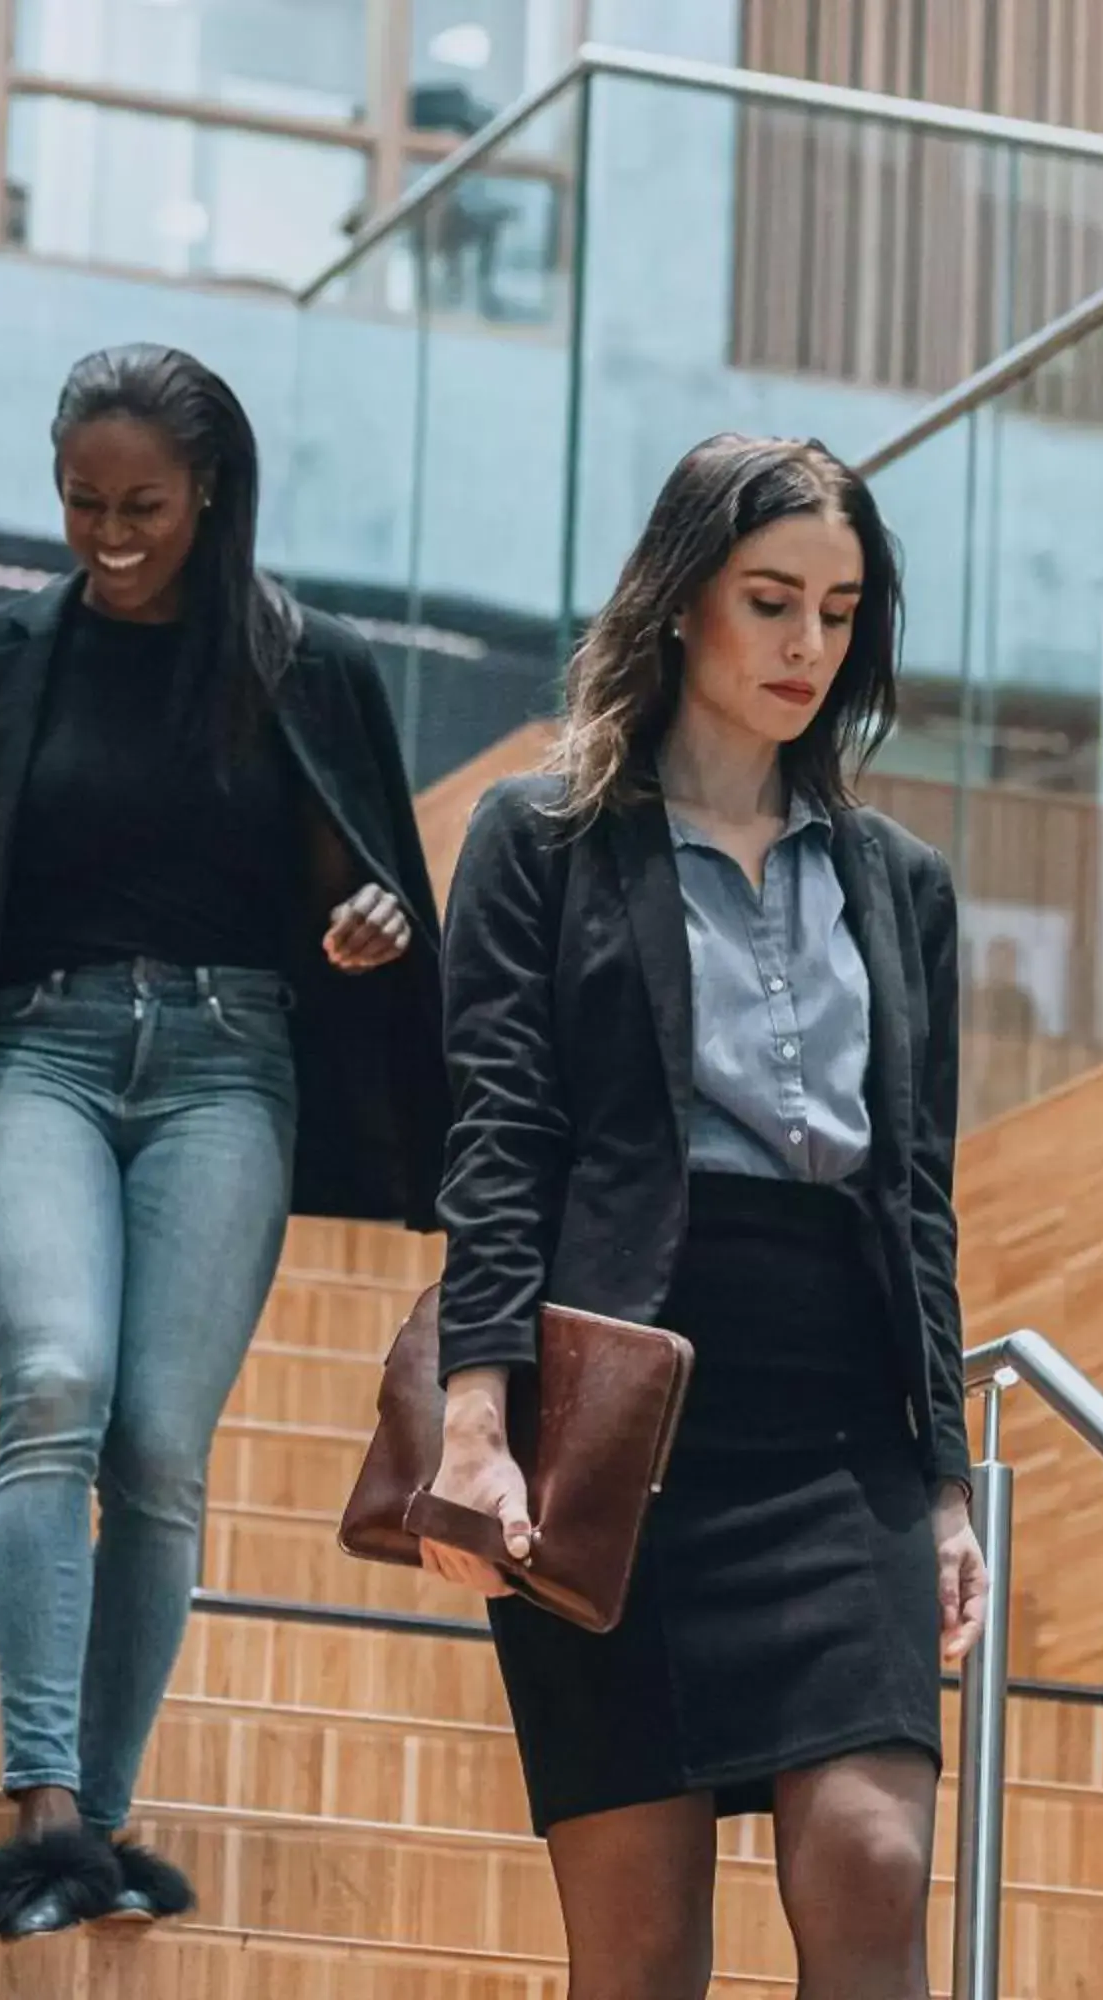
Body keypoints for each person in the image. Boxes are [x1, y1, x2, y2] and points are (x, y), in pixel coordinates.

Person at [0, 343, 449, 1941]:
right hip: (33, 1056)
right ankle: (41, 1799)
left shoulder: (304, 666)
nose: (109, 534)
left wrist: (380, 919)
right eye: (79, 501)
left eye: (144, 506)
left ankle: (100, 1834)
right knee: (53, 1383)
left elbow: (369, 884)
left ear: (211, 498)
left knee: (162, 1454)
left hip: (228, 1068)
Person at [422, 434, 990, 2000]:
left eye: (838, 609)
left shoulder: (904, 884)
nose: (809, 645)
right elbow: (499, 1137)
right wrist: (477, 1420)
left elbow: (918, 1197)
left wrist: (945, 1479)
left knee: (874, 1866)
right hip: (616, 1419)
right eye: (771, 601)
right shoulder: (537, 841)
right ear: (682, 604)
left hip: (837, 1429)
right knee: (643, 1946)